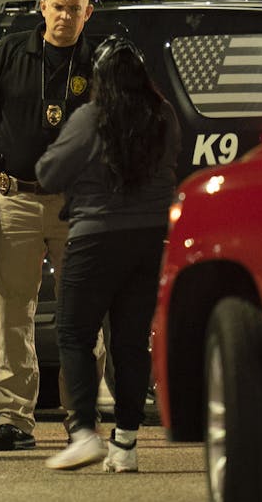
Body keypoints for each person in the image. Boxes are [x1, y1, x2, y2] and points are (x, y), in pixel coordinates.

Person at [0, 0, 99, 452]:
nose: (63, 17)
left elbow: (119, 126)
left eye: (73, 10)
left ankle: (82, 419)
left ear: (87, 13)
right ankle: (15, 419)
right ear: (42, 8)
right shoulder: (12, 52)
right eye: (56, 7)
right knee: (12, 312)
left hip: (77, 203)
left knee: (81, 314)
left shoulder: (98, 61)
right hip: (14, 198)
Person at [35, 36, 180, 472]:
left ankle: (83, 433)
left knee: (76, 334)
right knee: (132, 343)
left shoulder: (91, 118)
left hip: (96, 237)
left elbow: (47, 172)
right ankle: (126, 445)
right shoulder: (164, 116)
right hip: (150, 237)